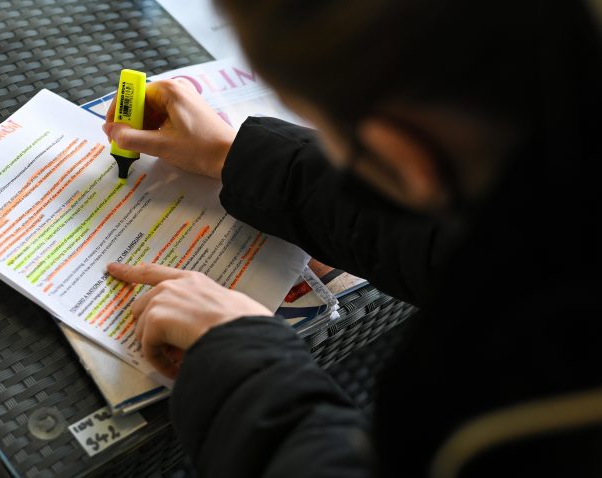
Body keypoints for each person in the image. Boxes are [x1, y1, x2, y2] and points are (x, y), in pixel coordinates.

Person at [102, 0, 602, 476]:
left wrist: (243, 364)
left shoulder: (520, 418)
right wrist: (235, 155)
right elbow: (456, 243)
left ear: (402, 158)